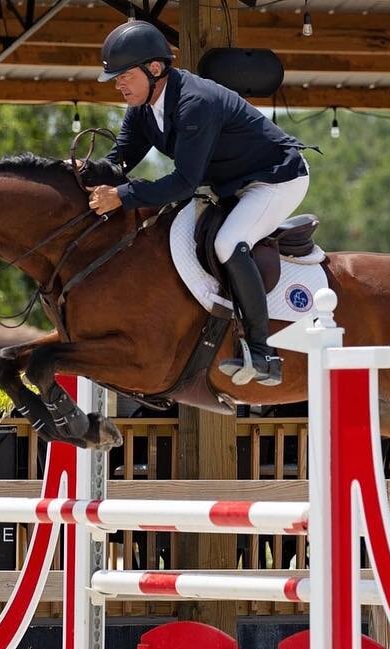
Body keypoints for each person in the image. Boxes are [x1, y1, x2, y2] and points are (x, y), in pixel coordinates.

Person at [88, 20, 311, 387]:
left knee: (227, 242)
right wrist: (82, 175)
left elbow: (183, 183)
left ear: (154, 69)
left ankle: (263, 353)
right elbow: (120, 162)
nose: (118, 84)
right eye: (116, 77)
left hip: (276, 178)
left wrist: (123, 196)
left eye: (125, 74)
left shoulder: (196, 102)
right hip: (231, 185)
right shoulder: (143, 109)